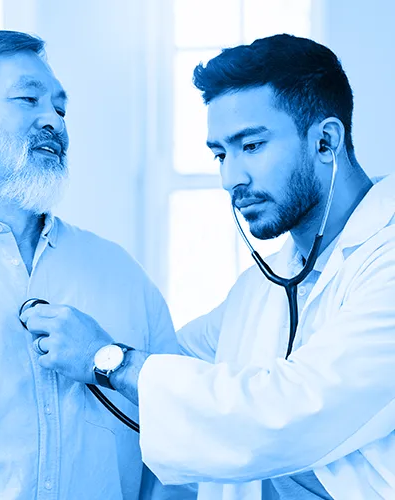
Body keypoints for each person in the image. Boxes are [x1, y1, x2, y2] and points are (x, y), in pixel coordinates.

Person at [20, 34, 395, 499]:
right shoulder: (260, 288)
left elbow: (295, 408)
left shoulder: (386, 260)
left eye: (251, 146)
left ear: (325, 141)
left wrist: (106, 359)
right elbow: (171, 363)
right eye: (220, 154)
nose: (230, 178)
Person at [0, 30, 196, 500]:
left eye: (60, 106)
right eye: (27, 99)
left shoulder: (118, 272)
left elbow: (176, 446)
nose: (54, 120)